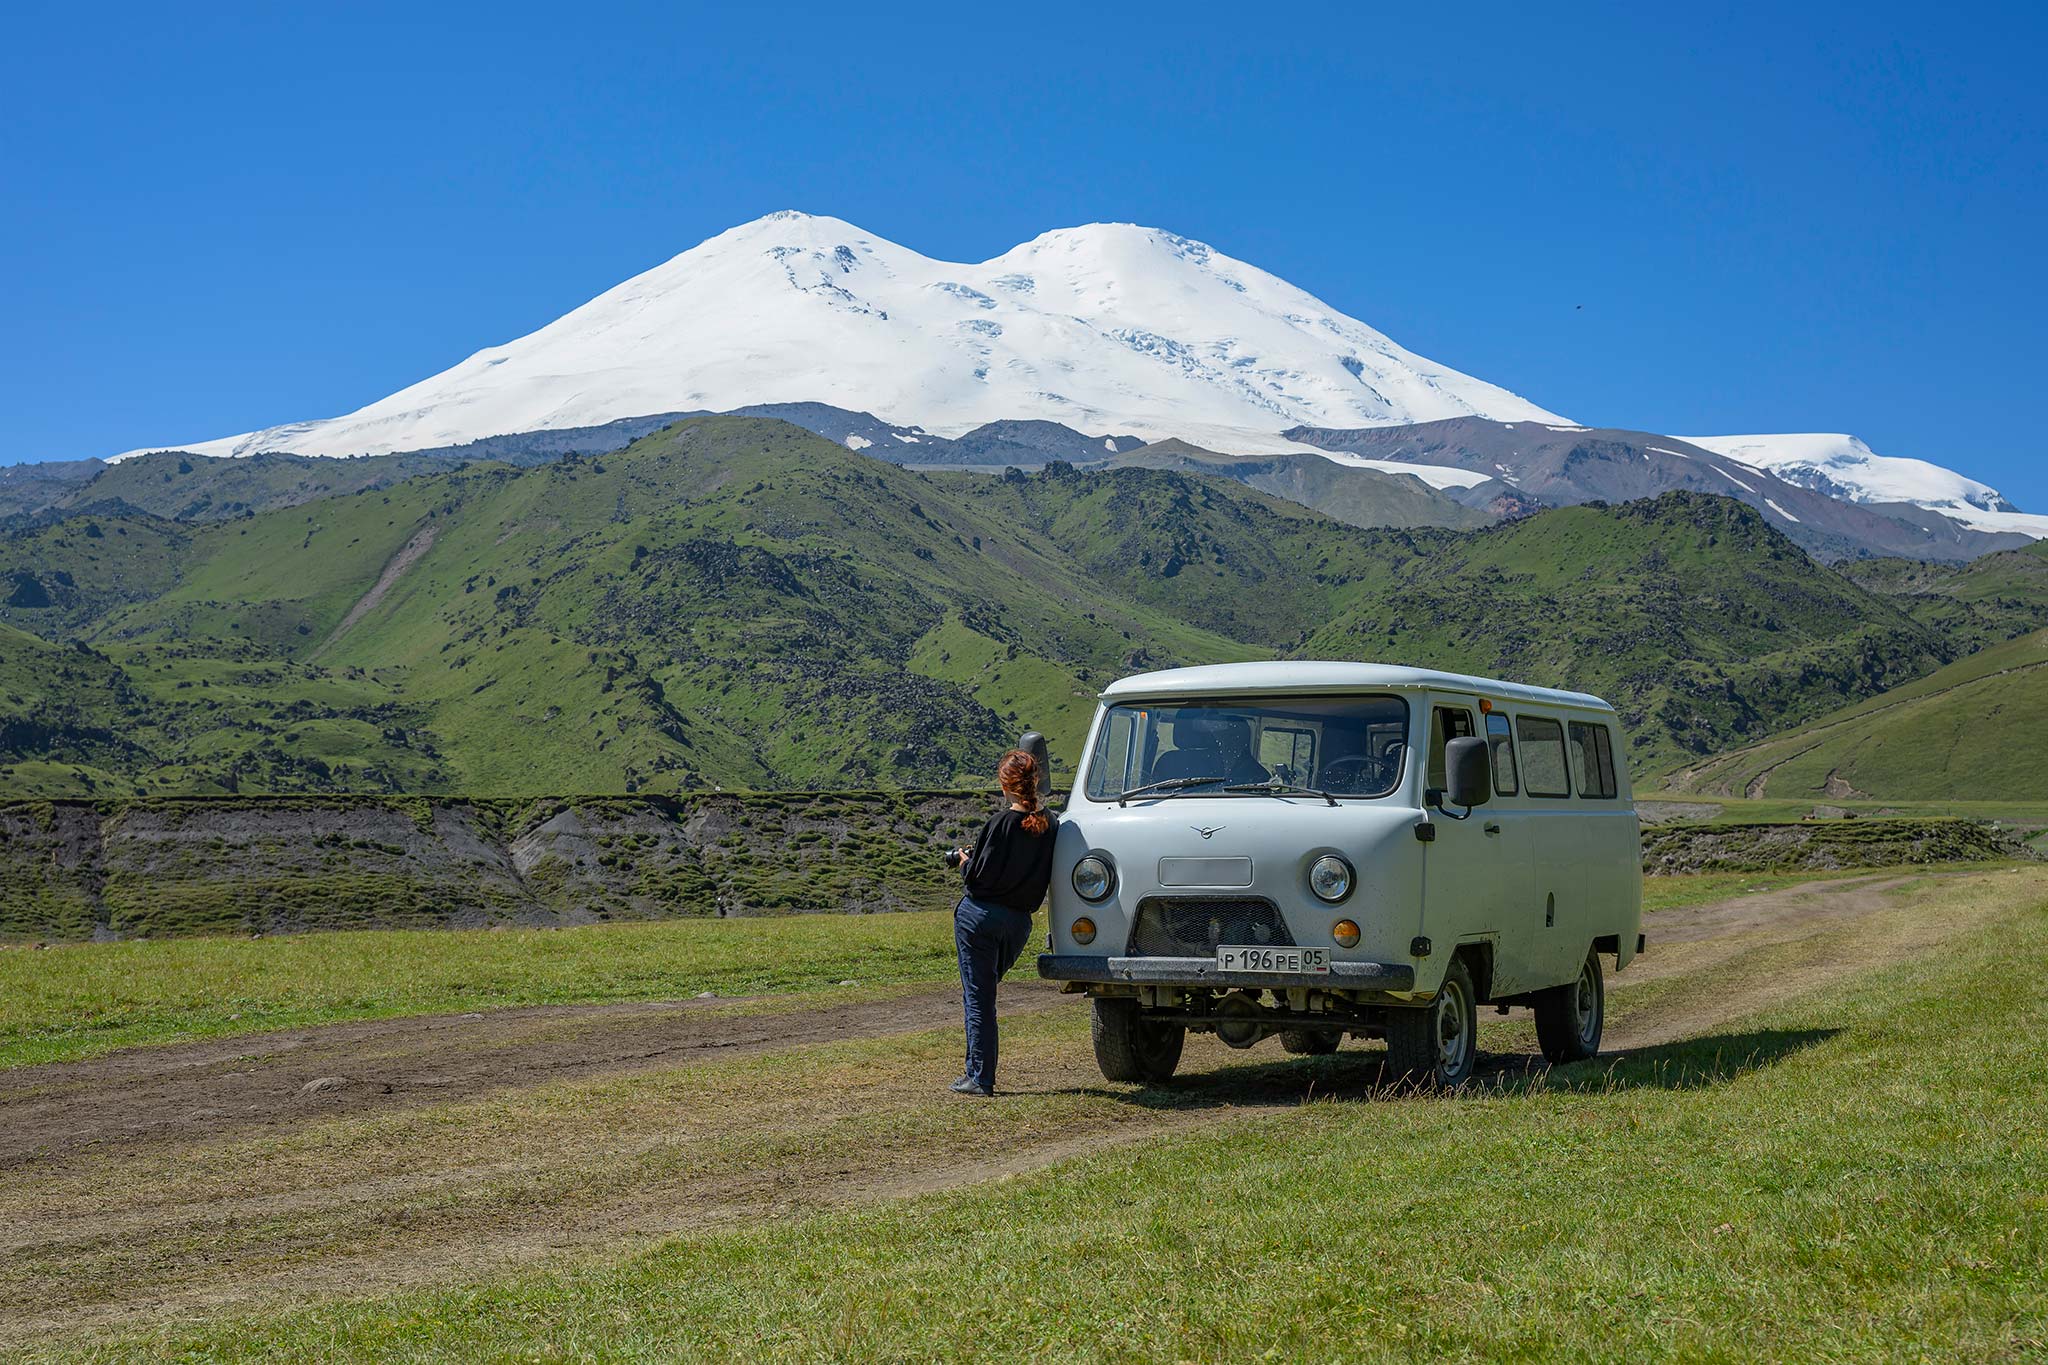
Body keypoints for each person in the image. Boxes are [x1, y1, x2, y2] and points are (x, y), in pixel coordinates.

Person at [945, 748, 1058, 1097]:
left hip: (980, 918)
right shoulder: (1051, 823)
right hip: (1019, 923)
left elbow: (977, 880)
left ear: (1005, 784)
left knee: (978, 998)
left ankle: (980, 1076)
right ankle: (975, 1069)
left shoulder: (1000, 823)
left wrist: (965, 861)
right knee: (984, 993)